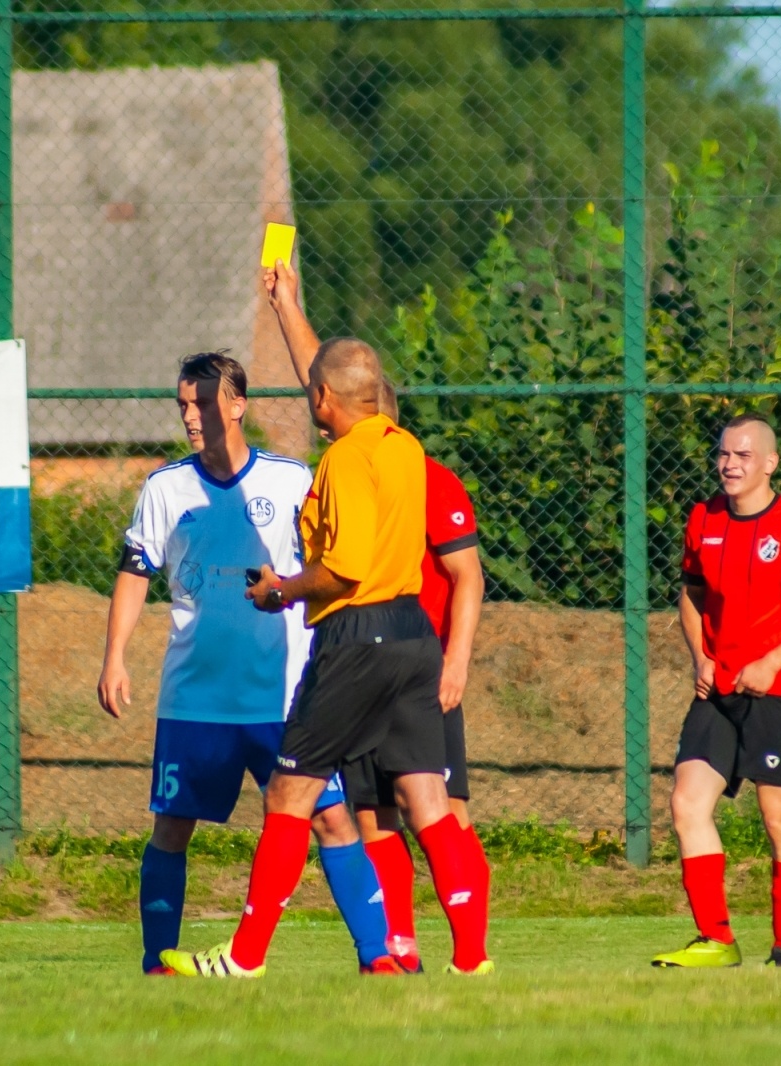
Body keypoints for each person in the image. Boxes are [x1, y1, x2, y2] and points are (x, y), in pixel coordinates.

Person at [160, 337, 492, 978]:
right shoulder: (404, 449)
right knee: (428, 800)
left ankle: (244, 959)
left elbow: (345, 567)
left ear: (321, 397)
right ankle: (472, 960)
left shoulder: (344, 459)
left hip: (355, 639)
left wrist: (281, 589)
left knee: (289, 794)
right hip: (414, 635)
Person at [97, 351, 395, 976]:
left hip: (282, 699)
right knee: (172, 828)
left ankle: (378, 959)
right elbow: (135, 572)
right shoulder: (165, 488)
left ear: (237, 405)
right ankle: (157, 964)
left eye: (202, 402)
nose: (191, 416)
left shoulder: (291, 480)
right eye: (183, 404)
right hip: (196, 700)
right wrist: (114, 657)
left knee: (332, 821)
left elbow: (333, 562)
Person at [263, 256, 491, 973]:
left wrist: (457, 663)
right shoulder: (373, 448)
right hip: (378, 651)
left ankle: (467, 950)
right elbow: (323, 378)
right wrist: (286, 305)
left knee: (440, 811)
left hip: (400, 651)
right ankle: (405, 951)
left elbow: (467, 576)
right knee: (375, 814)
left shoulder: (419, 471)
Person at [651, 414, 781, 970]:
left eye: (742, 455)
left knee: (778, 818)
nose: (729, 465)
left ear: (769, 463)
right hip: (717, 688)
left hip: (777, 690)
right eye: (723, 455)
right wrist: (701, 656)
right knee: (687, 803)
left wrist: (774, 661)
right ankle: (715, 940)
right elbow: (690, 593)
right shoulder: (703, 518)